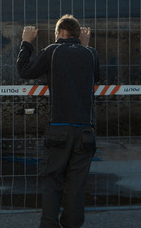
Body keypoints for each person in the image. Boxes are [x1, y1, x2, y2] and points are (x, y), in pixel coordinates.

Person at [16, 15, 100, 228]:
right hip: (86, 131)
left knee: (52, 181)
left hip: (59, 128)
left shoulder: (52, 51)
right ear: (78, 34)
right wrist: (85, 46)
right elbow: (93, 76)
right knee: (76, 184)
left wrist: (26, 42)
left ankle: (49, 225)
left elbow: (24, 71)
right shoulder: (91, 54)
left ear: (58, 33)